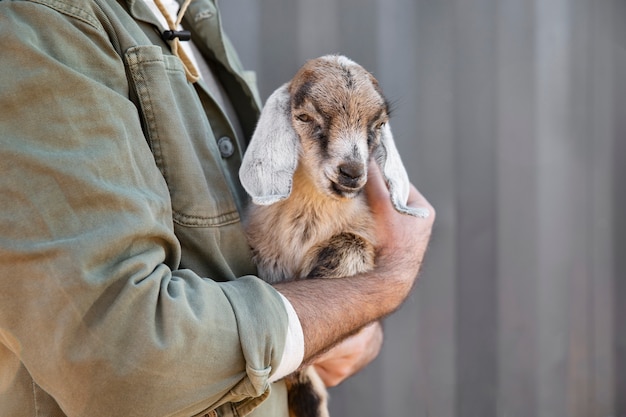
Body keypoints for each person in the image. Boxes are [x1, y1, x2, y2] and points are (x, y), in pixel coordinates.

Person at [0, 0, 435, 416]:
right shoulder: (45, 21)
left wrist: (342, 319)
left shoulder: (189, 15)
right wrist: (385, 282)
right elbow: (123, 358)